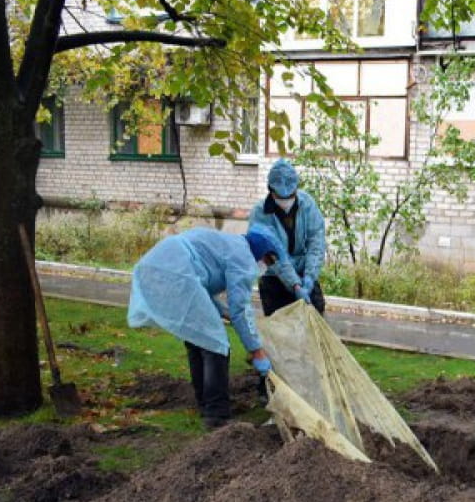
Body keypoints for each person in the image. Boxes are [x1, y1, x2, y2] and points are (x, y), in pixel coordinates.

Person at [127, 226, 286, 429]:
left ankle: (205, 403)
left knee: (198, 339)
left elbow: (203, 285)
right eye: (268, 261)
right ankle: (217, 415)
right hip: (176, 274)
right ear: (263, 252)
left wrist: (223, 311)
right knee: (216, 345)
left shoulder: (230, 243)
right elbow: (240, 307)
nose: (265, 266)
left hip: (158, 266)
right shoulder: (244, 258)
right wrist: (256, 351)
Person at [249, 158, 327, 315]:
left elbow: (316, 242)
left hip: (303, 272)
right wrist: (295, 285)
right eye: (281, 197)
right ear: (271, 191)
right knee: (280, 328)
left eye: (290, 195)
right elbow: (272, 256)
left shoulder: (307, 205)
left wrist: (310, 277)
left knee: (315, 314)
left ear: (296, 189)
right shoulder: (260, 214)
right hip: (274, 277)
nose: (286, 200)